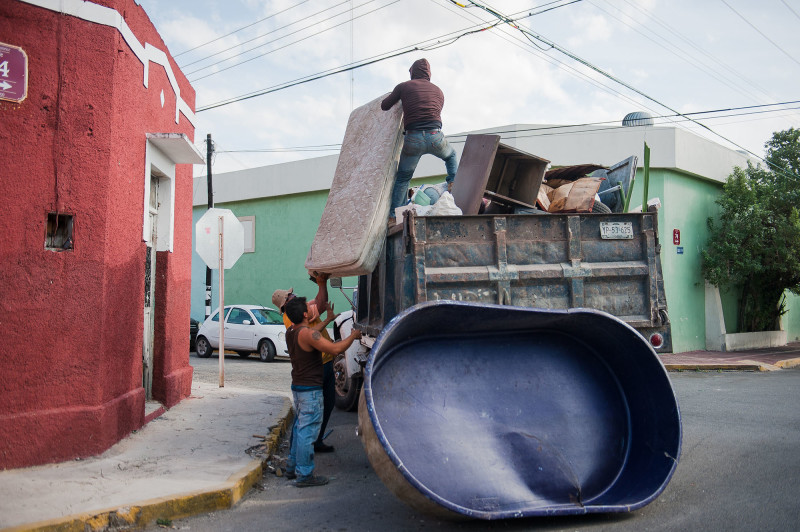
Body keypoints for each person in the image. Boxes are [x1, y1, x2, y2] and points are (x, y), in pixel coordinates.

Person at [283, 295, 361, 487]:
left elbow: (312, 331)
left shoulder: (293, 331)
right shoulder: (308, 335)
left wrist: (327, 319)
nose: (311, 308)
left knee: (300, 428)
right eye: (308, 307)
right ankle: (305, 475)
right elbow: (335, 350)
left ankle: (291, 467)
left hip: (299, 387)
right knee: (307, 433)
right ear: (304, 314)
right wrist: (353, 336)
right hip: (311, 390)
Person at [381, 58, 458, 223]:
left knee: (403, 178)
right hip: (435, 136)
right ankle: (453, 182)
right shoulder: (439, 91)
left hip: (413, 138)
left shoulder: (404, 87)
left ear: (412, 72)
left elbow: (385, 106)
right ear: (429, 74)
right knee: (451, 156)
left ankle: (396, 217)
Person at [272, 273, 338, 453]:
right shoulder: (296, 315)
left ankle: (313, 443)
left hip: (322, 364)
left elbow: (318, 316)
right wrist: (321, 282)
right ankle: (300, 458)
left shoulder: (297, 313)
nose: (294, 295)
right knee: (308, 416)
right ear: (286, 303)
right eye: (291, 295)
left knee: (325, 406)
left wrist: (326, 319)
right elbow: (322, 302)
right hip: (318, 366)